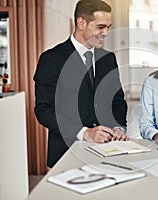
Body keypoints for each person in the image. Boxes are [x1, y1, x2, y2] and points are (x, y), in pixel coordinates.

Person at [34, 0, 128, 168]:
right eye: (100, 27)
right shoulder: (51, 59)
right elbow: (43, 110)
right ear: (81, 23)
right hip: (66, 152)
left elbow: (118, 100)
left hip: (107, 151)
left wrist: (118, 127)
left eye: (108, 27)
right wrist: (84, 133)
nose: (106, 33)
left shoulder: (108, 59)